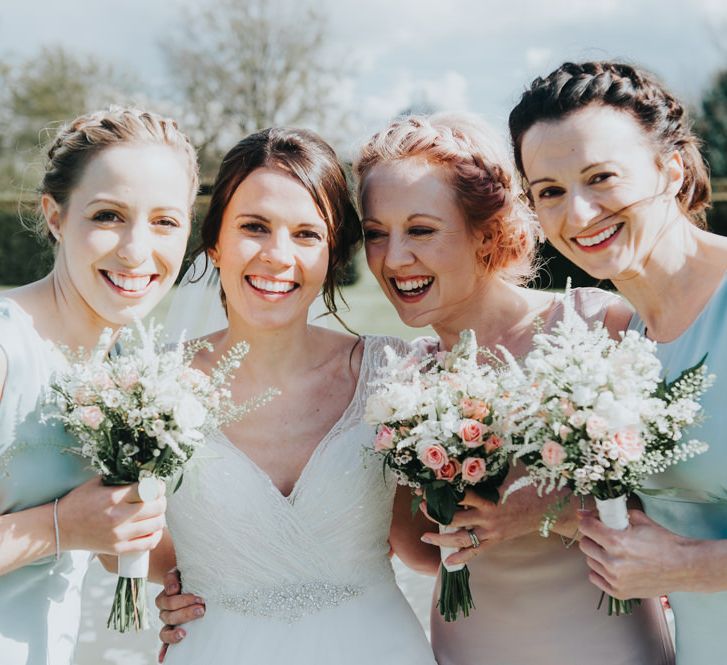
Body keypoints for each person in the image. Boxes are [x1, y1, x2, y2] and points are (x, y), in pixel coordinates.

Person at [353, 113, 673, 664]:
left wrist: (535, 516)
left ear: (488, 232)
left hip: (605, 643)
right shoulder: (402, 378)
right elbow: (413, 545)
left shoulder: (599, 327)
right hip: (472, 644)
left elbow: (677, 509)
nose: (394, 258)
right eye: (376, 233)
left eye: (422, 230)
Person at [153, 127, 437, 665]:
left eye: (307, 234)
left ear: (333, 253)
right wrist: (188, 571)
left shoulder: (393, 375)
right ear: (215, 241)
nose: (277, 255)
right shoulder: (151, 386)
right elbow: (121, 535)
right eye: (254, 227)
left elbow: (419, 542)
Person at [509, 60, 727, 664]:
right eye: (549, 191)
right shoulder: (624, 344)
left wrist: (690, 566)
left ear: (672, 168)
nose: (577, 215)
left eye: (600, 177)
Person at [0, 107, 198, 665]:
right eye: (109, 215)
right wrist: (59, 525)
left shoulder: (129, 362)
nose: (137, 251)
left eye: (165, 221)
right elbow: (82, 524)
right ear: (56, 217)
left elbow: (117, 536)